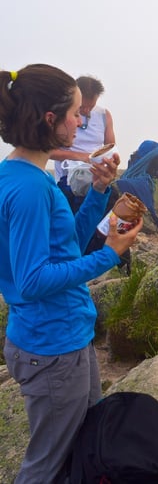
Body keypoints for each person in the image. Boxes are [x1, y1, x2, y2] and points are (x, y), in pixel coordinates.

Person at [0, 64, 142, 483]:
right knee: (46, 466)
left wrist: (98, 196)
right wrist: (111, 255)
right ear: (51, 120)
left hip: (65, 336)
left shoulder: (24, 177)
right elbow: (33, 280)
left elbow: (67, 250)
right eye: (76, 114)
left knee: (85, 447)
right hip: (51, 344)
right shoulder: (28, 189)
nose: (82, 122)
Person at [50, 75, 116, 213]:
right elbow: (49, 151)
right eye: (83, 107)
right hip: (68, 180)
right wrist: (82, 156)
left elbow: (111, 146)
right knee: (74, 223)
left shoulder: (104, 115)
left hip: (96, 176)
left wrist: (109, 161)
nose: (86, 112)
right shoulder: (62, 114)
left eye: (91, 107)